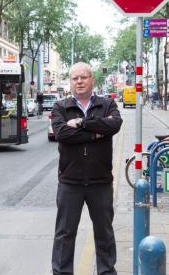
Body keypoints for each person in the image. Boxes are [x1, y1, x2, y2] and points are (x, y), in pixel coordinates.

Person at [51, 62, 123, 275]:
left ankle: (107, 272)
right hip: (70, 182)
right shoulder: (60, 107)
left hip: (100, 181)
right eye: (75, 78)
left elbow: (114, 125)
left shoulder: (107, 103)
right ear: (70, 82)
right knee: (64, 234)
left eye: (84, 77)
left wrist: (81, 123)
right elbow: (62, 134)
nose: (79, 81)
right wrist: (96, 133)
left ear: (92, 80)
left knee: (104, 233)